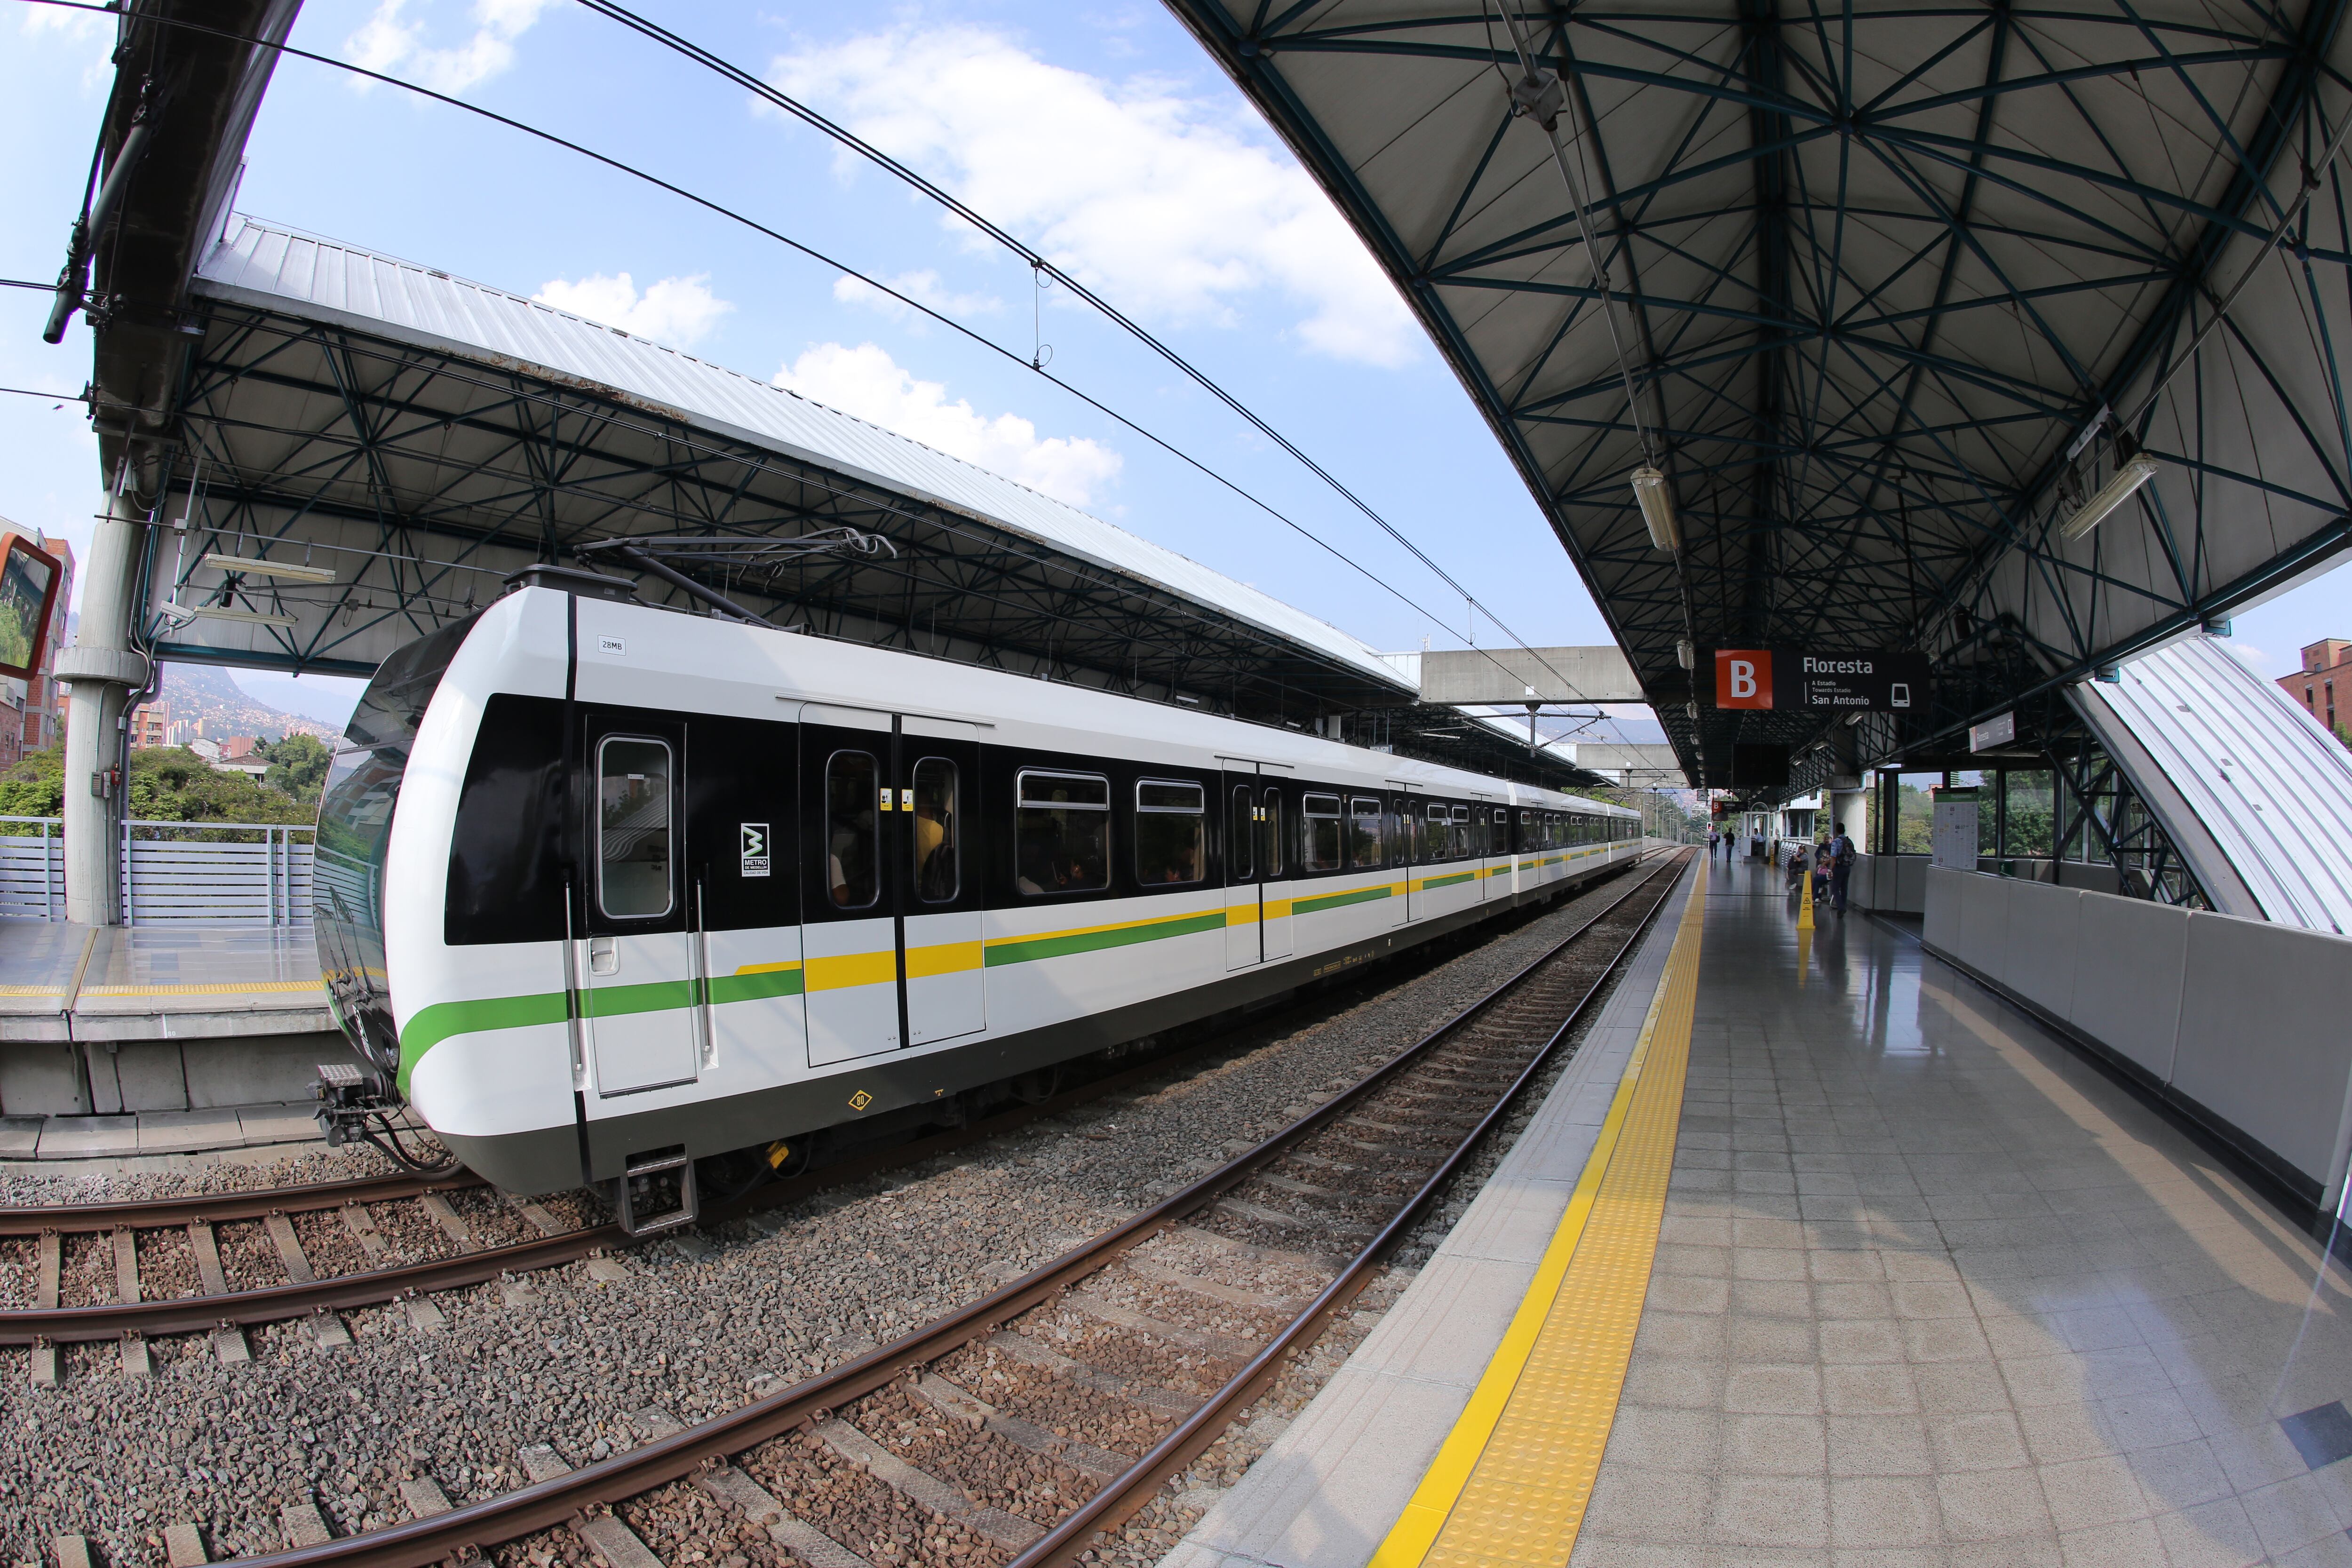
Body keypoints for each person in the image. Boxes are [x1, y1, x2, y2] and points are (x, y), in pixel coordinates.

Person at [1829, 819, 1856, 912]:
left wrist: (1831, 869)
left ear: (1837, 831)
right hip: (1847, 867)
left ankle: (1841, 908)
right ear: (1844, 830)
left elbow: (1833, 856)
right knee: (1844, 888)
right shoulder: (1849, 841)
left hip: (1839, 867)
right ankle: (1844, 906)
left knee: (1835, 888)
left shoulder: (1836, 842)